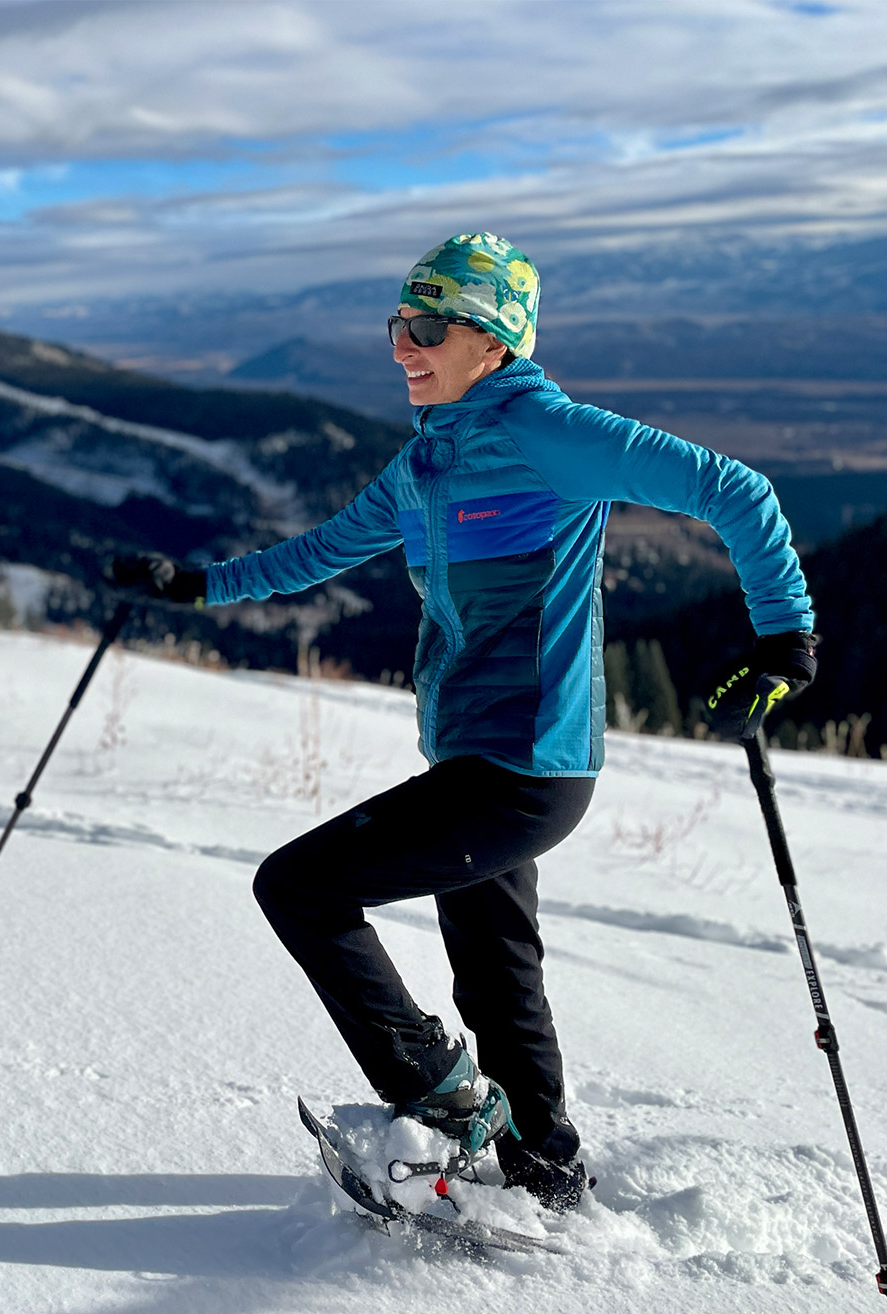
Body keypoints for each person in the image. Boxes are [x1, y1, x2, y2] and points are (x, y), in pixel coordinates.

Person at [105, 232, 817, 1212]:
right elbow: (322, 550)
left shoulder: (546, 432)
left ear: (492, 341)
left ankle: (442, 1102)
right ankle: (544, 1170)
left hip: (525, 767)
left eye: (426, 326)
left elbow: (734, 490)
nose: (402, 344)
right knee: (494, 974)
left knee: (299, 886)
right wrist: (194, 585)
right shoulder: (425, 463)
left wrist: (783, 642)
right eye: (396, 324)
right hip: (473, 760)